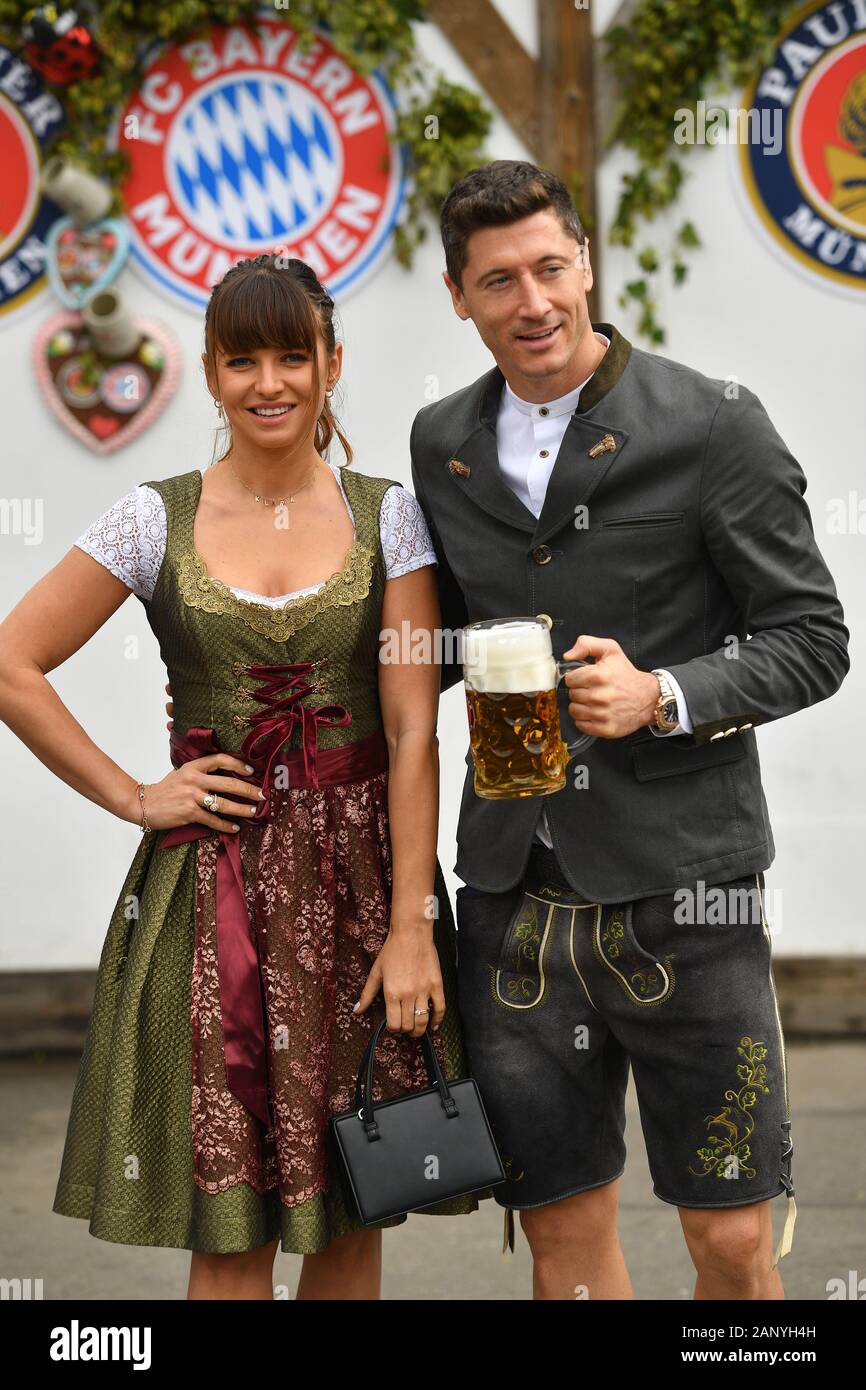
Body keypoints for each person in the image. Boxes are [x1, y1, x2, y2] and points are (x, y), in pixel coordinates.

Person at [0, 253, 486, 1300]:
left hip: (363, 889)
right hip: (210, 892)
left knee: (360, 1206)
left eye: (291, 357)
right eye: (243, 360)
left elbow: (411, 732)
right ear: (213, 375)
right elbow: (11, 662)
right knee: (230, 1235)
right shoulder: (151, 517)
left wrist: (410, 927)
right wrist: (136, 794)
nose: (269, 382)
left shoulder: (388, 515)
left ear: (330, 364)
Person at [409, 160, 850, 1300]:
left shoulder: (713, 423)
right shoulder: (436, 441)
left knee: (732, 1242)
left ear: (586, 263)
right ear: (457, 295)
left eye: (551, 266)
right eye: (497, 279)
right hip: (510, 896)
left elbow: (811, 638)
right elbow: (423, 640)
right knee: (560, 1239)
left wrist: (665, 692)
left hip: (686, 894)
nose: (533, 301)